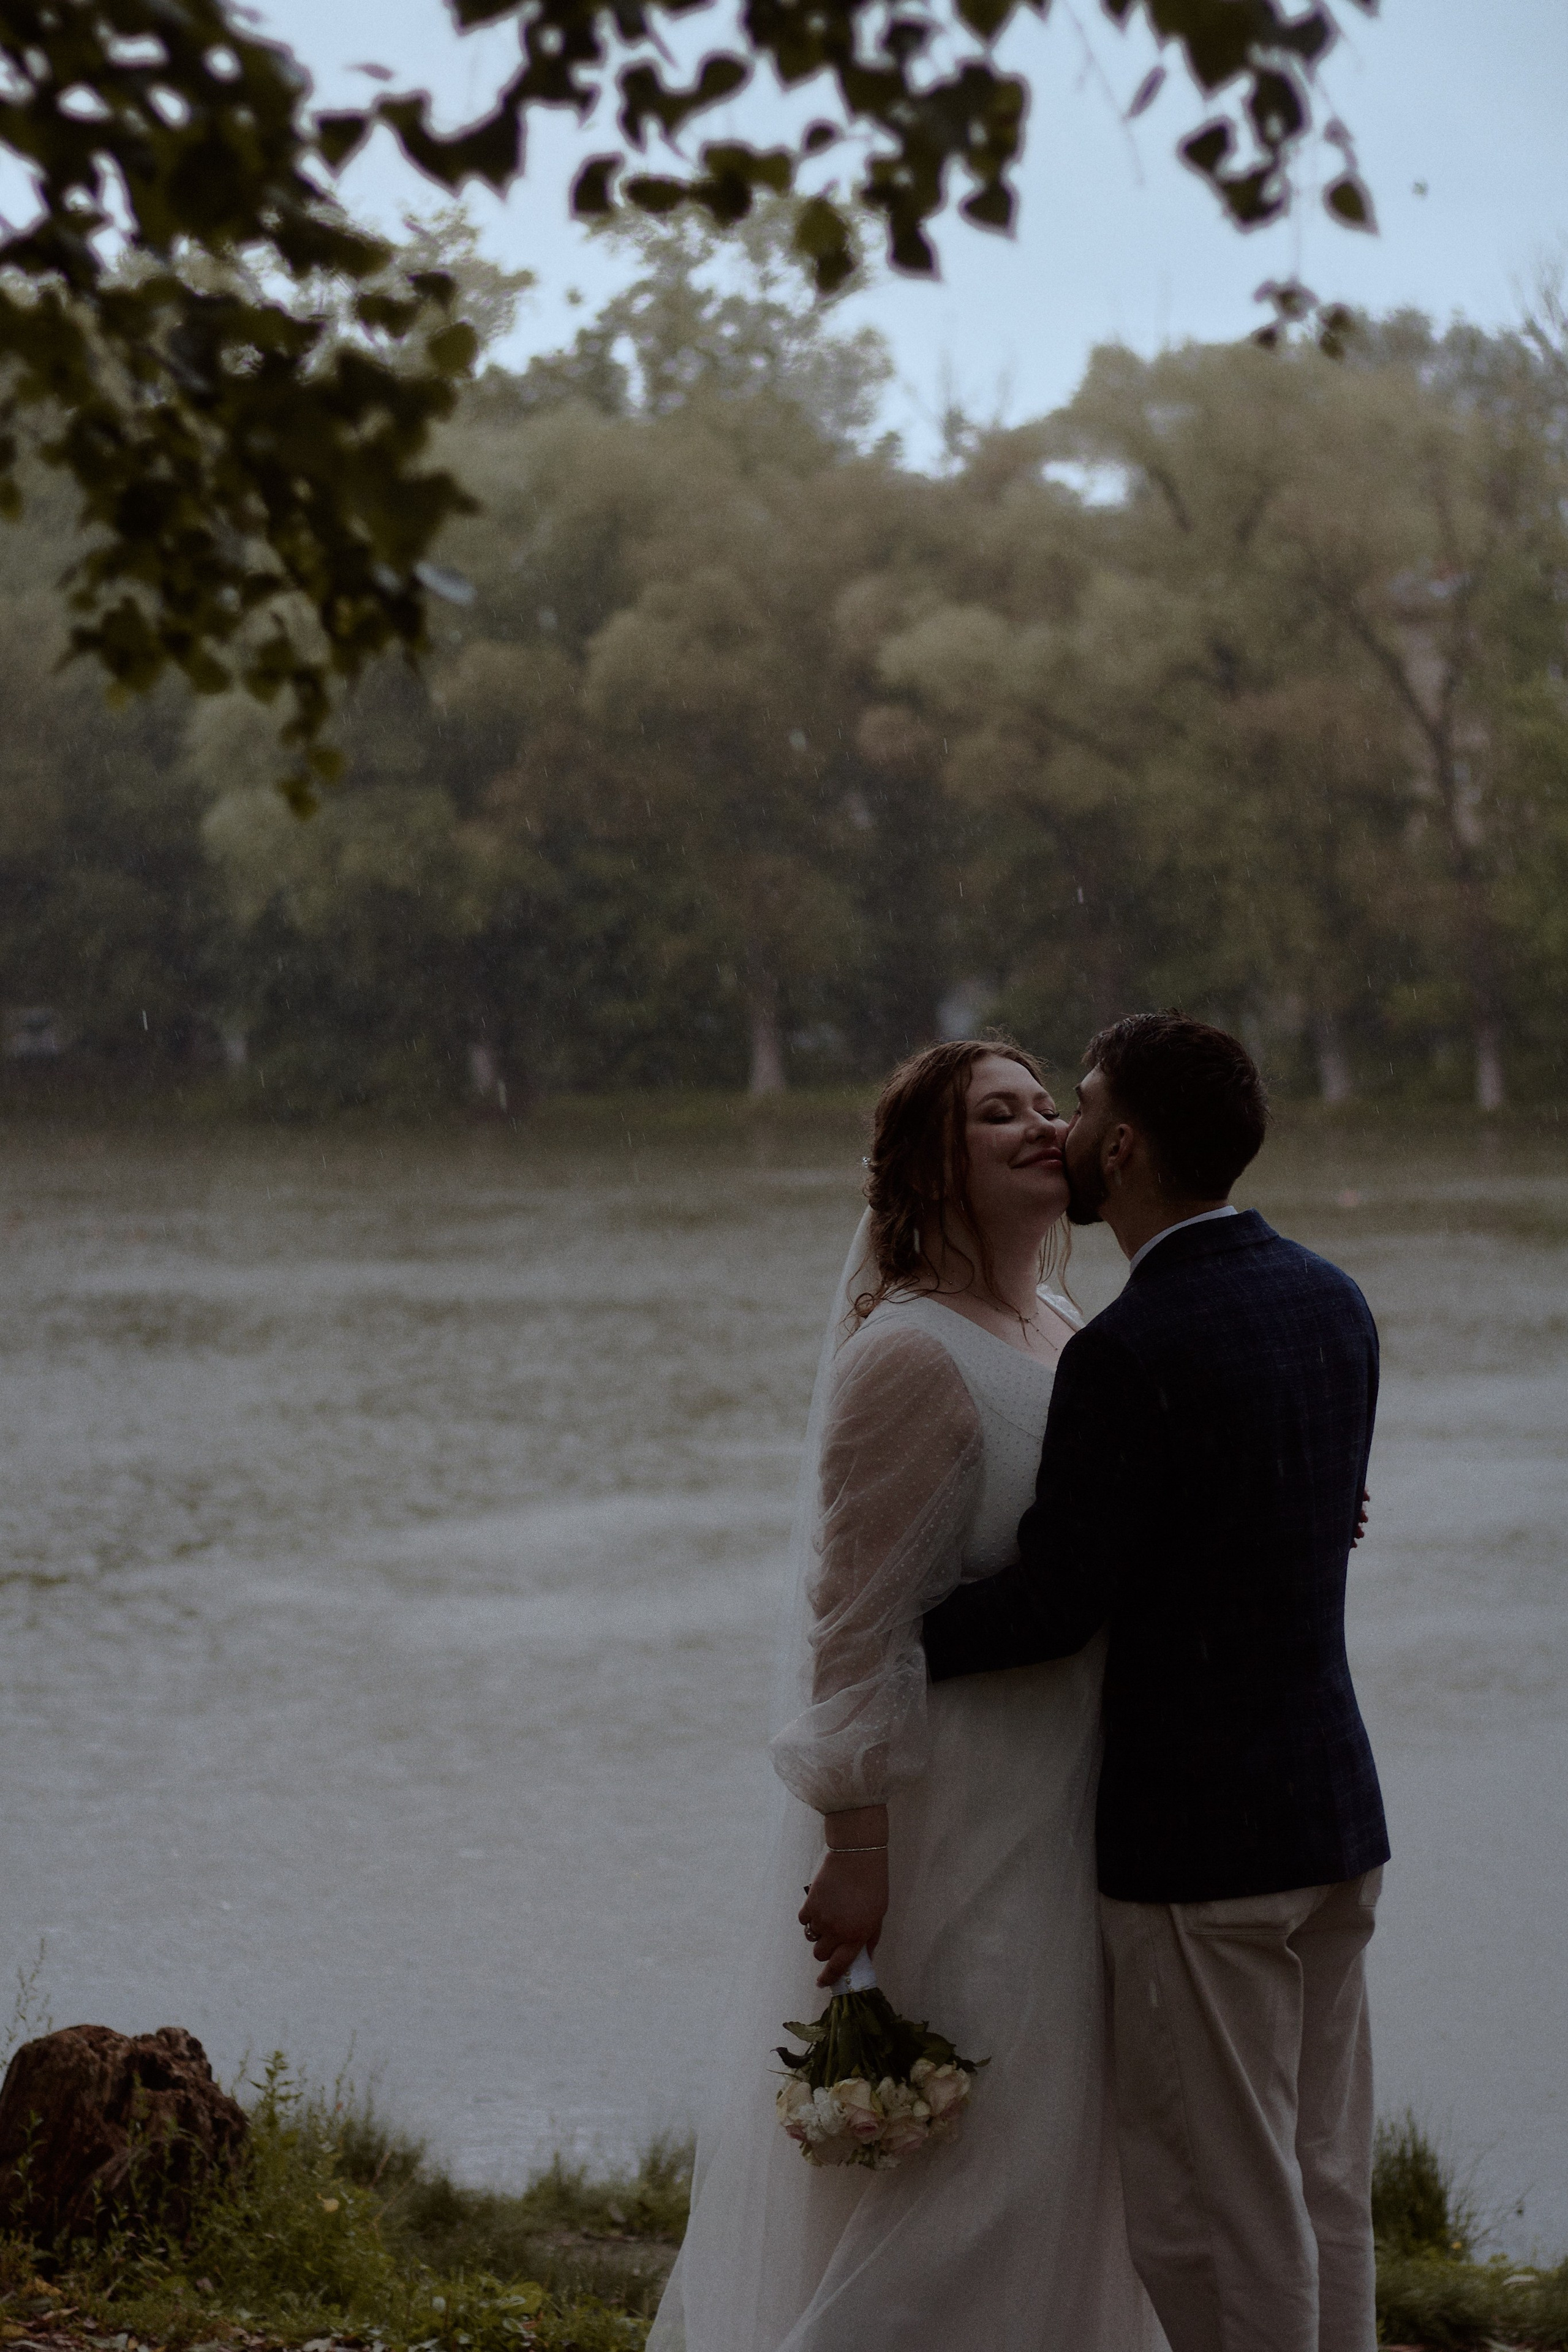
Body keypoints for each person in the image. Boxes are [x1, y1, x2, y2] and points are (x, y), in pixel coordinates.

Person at [648, 1038, 1164, 2352]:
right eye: (999, 1113)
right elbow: (851, 1627)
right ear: (931, 1166)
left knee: (1059, 2155)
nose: (1043, 1125)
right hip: (960, 1820)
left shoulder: (1057, 1329)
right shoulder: (906, 1357)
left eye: (1049, 1105)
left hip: (1074, 1801)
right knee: (970, 2180)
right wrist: (858, 1855)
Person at [922, 1011, 1389, 2352]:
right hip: (1331, 1818)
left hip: (1203, 1852)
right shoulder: (1330, 1298)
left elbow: (1059, 1602)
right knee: (1322, 2185)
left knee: (1212, 2217)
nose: (1056, 1130)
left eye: (1072, 1106)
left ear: (1119, 1146)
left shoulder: (1128, 1349)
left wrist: (895, 1638)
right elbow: (1285, 1516)